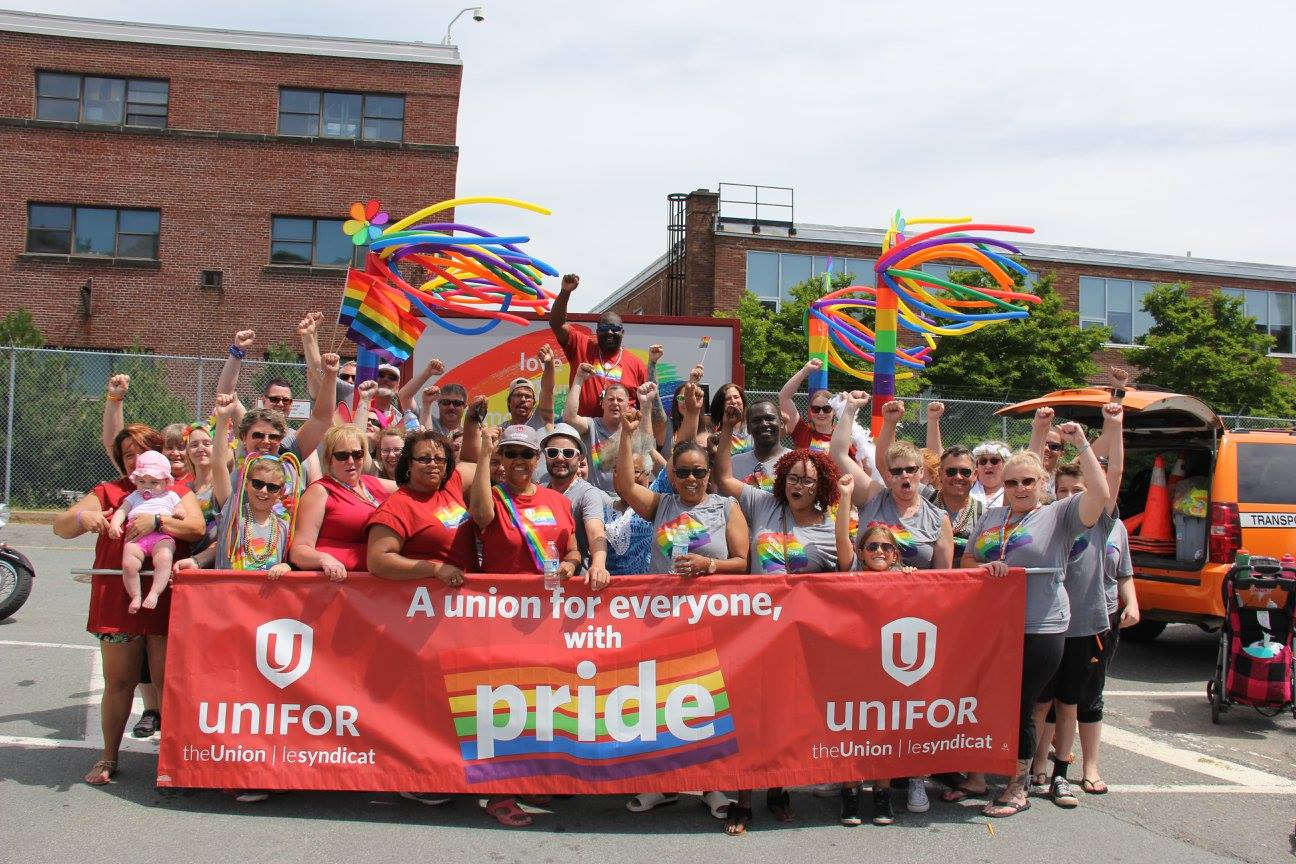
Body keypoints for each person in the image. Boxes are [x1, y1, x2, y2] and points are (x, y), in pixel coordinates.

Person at [947, 405, 1122, 819]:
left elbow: (1099, 495)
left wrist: (1082, 444)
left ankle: (1017, 786)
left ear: (1041, 482)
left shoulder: (1058, 514)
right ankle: (977, 776)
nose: (1019, 488)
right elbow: (969, 560)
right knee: (986, 700)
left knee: (1020, 704)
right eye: (1011, 482)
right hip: (992, 626)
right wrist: (987, 568)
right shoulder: (992, 516)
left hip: (1040, 624)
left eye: (1027, 481)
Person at [613, 409, 749, 832]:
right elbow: (622, 484)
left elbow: (744, 563)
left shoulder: (727, 507)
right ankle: (663, 783)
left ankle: (711, 787)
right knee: (661, 704)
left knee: (703, 703)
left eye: (698, 472)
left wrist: (709, 569)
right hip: (661, 622)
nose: (691, 479)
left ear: (709, 472)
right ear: (671, 474)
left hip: (711, 623)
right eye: (683, 472)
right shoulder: (661, 504)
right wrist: (626, 433)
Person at [53, 423, 204, 786]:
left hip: (165, 598)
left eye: (143, 451)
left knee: (169, 681)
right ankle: (109, 756)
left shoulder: (177, 491)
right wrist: (81, 517)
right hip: (116, 601)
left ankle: (173, 761)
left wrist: (158, 520)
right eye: (128, 455)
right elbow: (61, 526)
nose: (137, 460)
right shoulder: (108, 492)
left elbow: (196, 527)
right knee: (118, 681)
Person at [468, 423, 578, 828]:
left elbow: (572, 547)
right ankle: (499, 792)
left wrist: (569, 564)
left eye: (526, 454)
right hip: (501, 619)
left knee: (537, 703)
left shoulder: (556, 500)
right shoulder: (493, 496)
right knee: (503, 703)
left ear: (538, 460)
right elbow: (479, 516)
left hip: (547, 617)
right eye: (510, 454)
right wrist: (485, 455)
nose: (518, 461)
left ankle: (527, 777)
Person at [365, 428, 478, 808]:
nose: (433, 465)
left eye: (440, 459)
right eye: (424, 459)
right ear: (406, 464)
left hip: (459, 615)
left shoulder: (450, 488)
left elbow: (482, 463)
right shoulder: (398, 505)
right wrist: (432, 568)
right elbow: (379, 560)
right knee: (423, 700)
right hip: (418, 617)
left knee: (453, 697)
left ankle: (448, 770)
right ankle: (416, 777)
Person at [1030, 429, 1132, 805]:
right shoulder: (1050, 518)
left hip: (1084, 623)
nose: (1070, 498)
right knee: (1042, 701)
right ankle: (1036, 765)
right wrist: (1042, 434)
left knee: (1070, 701)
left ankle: (1061, 771)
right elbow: (1034, 471)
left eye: (1078, 492)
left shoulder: (1100, 519)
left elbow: (1114, 474)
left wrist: (1098, 434)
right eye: (1063, 492)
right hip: (1048, 622)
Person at [841, 517, 917, 826]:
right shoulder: (848, 578)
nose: (880, 551)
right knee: (852, 732)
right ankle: (851, 793)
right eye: (872, 546)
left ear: (896, 554)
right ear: (860, 552)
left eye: (887, 547)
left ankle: (882, 794)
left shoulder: (909, 580)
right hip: (856, 669)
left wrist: (915, 579)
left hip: (890, 670)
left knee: (887, 732)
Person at [834, 396, 954, 572]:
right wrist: (850, 407)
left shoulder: (938, 518)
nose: (904, 475)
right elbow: (838, 454)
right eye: (897, 471)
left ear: (921, 472)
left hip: (913, 596)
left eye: (911, 469)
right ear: (888, 476)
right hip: (864, 593)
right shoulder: (873, 497)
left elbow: (943, 578)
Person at [289, 424, 396, 580]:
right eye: (342, 456)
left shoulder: (372, 484)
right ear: (328, 458)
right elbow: (299, 550)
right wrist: (323, 559)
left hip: (378, 584)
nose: (351, 461)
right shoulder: (320, 491)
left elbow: (416, 487)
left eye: (357, 454)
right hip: (337, 585)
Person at [548, 273, 648, 417]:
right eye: (603, 329)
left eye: (615, 329)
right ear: (596, 332)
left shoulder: (637, 364)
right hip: (583, 430)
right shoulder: (582, 345)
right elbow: (557, 324)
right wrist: (565, 292)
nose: (610, 333)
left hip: (620, 433)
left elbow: (646, 405)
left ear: (623, 333)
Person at [108, 450, 186, 613]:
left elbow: (181, 510)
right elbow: (122, 511)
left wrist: (179, 512)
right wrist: (115, 525)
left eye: (153, 482)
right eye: (142, 481)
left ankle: (154, 593)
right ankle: (136, 595)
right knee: (129, 565)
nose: (146, 486)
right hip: (136, 537)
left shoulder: (170, 495)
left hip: (161, 535)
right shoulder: (134, 496)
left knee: (164, 558)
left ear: (165, 481)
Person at [562, 367, 655, 495]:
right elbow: (569, 418)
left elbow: (649, 445)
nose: (615, 403)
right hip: (595, 498)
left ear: (627, 405)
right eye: (610, 399)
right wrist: (579, 379)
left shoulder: (632, 429)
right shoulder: (592, 426)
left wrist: (645, 404)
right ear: (603, 404)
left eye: (620, 400)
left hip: (627, 499)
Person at [542, 424, 611, 587]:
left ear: (579, 459)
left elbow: (596, 532)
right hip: (540, 588)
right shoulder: (538, 491)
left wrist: (599, 565)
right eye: (552, 452)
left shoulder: (588, 494)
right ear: (545, 456)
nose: (559, 458)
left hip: (577, 590)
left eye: (568, 453)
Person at [778, 359, 874, 465]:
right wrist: (804, 371)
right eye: (816, 409)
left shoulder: (845, 437)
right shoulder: (802, 432)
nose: (821, 413)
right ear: (810, 411)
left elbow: (860, 467)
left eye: (826, 409)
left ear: (833, 411)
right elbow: (784, 397)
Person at [929, 443, 984, 561]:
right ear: (940, 474)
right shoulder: (925, 501)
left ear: (975, 475)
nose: (958, 477)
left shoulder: (984, 515)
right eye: (951, 471)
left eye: (965, 472)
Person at [727, 400, 787, 491]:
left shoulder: (795, 462)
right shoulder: (734, 464)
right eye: (756, 420)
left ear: (781, 423)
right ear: (748, 428)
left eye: (769, 418)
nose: (764, 424)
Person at [710, 383, 753, 455]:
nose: (733, 401)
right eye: (728, 399)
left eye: (736, 397)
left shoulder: (752, 426)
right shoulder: (714, 429)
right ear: (721, 404)